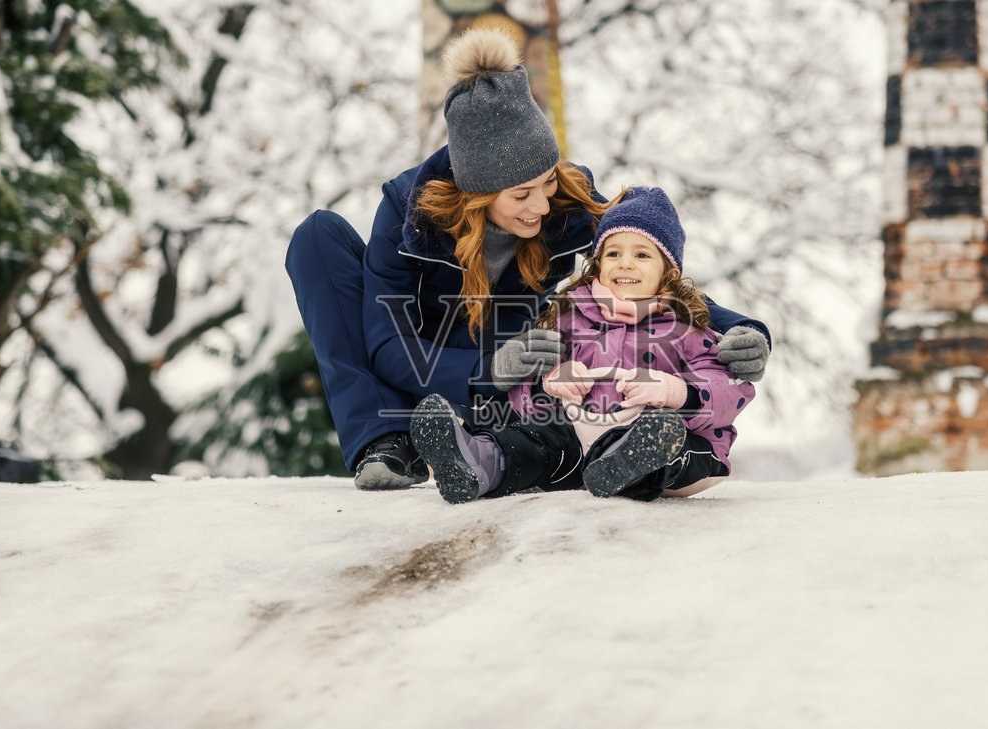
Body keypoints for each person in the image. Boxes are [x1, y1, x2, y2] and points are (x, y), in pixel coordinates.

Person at [285, 27, 771, 491]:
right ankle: (386, 444)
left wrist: (740, 327)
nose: (542, 204)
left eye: (547, 182)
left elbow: (642, 265)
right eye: (522, 195)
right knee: (316, 236)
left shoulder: (565, 199)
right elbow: (388, 345)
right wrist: (486, 368)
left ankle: (509, 454)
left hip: (524, 391)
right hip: (444, 373)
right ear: (475, 194)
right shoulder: (406, 215)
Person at [411, 186, 755, 503]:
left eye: (642, 255)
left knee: (676, 442)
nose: (625, 263)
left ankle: (632, 462)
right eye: (613, 253)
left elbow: (732, 390)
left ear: (668, 271)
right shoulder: (569, 319)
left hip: (663, 443)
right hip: (578, 443)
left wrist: (675, 392)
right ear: (598, 265)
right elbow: (522, 398)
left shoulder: (687, 328)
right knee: (538, 440)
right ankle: (477, 462)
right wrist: (549, 385)